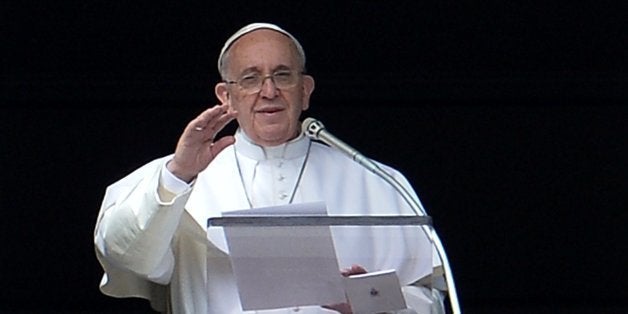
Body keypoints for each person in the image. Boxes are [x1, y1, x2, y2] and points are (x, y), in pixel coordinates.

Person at [94, 22, 449, 314]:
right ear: (225, 96)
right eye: (250, 78)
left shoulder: (377, 181)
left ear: (305, 91)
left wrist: (367, 304)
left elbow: (429, 299)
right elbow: (128, 257)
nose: (269, 91)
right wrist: (178, 175)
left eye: (283, 75)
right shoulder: (178, 177)